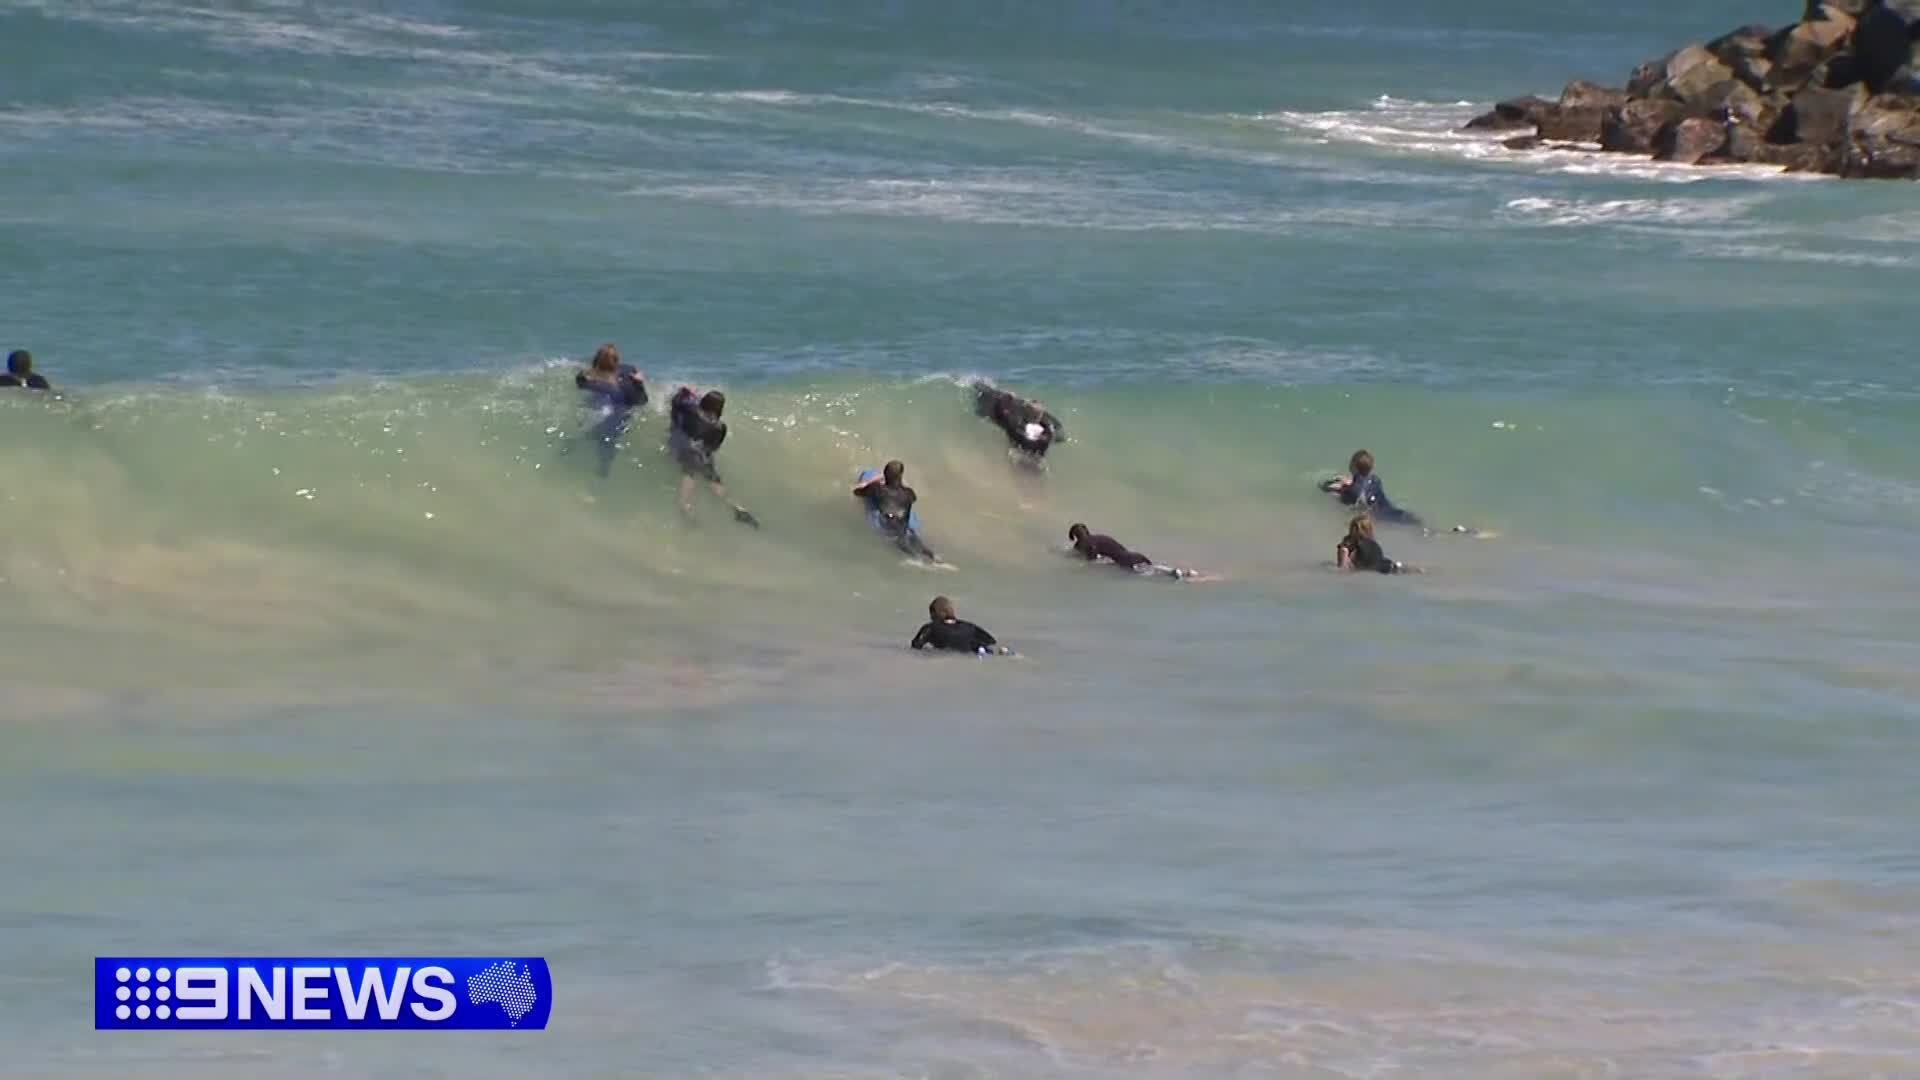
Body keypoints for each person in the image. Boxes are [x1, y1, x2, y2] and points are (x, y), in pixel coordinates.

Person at [669, 386, 757, 527]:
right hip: (705, 455)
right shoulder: (721, 427)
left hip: (690, 450)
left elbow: (676, 404)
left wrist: (684, 392)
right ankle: (738, 508)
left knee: (689, 474)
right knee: (714, 482)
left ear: (704, 401)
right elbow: (714, 447)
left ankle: (685, 508)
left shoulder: (692, 411)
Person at [575, 343, 647, 477]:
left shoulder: (590, 381)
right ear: (617, 362)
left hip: (604, 411)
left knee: (598, 437)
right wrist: (639, 383)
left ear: (596, 362)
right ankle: (602, 473)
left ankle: (600, 469)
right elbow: (642, 401)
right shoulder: (628, 376)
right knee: (606, 445)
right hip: (618, 413)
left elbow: (580, 381)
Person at [853, 460, 938, 561]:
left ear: (885, 474)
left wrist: (872, 480)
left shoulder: (877, 488)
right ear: (901, 476)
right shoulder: (909, 493)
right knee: (915, 540)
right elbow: (912, 499)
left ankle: (915, 559)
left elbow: (858, 492)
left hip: (887, 523)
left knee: (900, 544)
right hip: (903, 524)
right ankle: (933, 558)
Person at [1319, 449, 1422, 527]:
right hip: (1394, 512)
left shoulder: (1352, 492)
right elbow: (1362, 484)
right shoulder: (1375, 480)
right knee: (1415, 523)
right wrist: (1348, 483)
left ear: (1353, 467)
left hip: (1383, 519)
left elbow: (1331, 490)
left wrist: (1333, 487)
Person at [972, 382, 1064, 460]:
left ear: (1024, 413)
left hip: (1019, 448)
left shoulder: (1017, 426)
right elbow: (1055, 435)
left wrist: (1008, 396)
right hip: (1036, 452)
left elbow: (1003, 411)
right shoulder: (1046, 432)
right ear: (1040, 416)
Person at [1066, 523, 1190, 579]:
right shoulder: (1101, 537)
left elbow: (1091, 559)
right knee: (1151, 567)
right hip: (1134, 555)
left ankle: (1172, 573)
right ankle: (1175, 572)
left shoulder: (1083, 544)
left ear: (1075, 536)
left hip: (1126, 561)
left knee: (1149, 574)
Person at [910, 595, 1010, 655]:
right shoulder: (969, 626)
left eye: (931, 614)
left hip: (948, 658)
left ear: (935, 613)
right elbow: (992, 641)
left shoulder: (930, 628)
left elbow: (916, 646)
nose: (931, 618)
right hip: (973, 653)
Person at [1336, 514, 1412, 574]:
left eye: (1354, 529)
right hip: (1390, 565)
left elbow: (1344, 569)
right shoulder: (1372, 543)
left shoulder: (1351, 545)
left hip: (1385, 569)